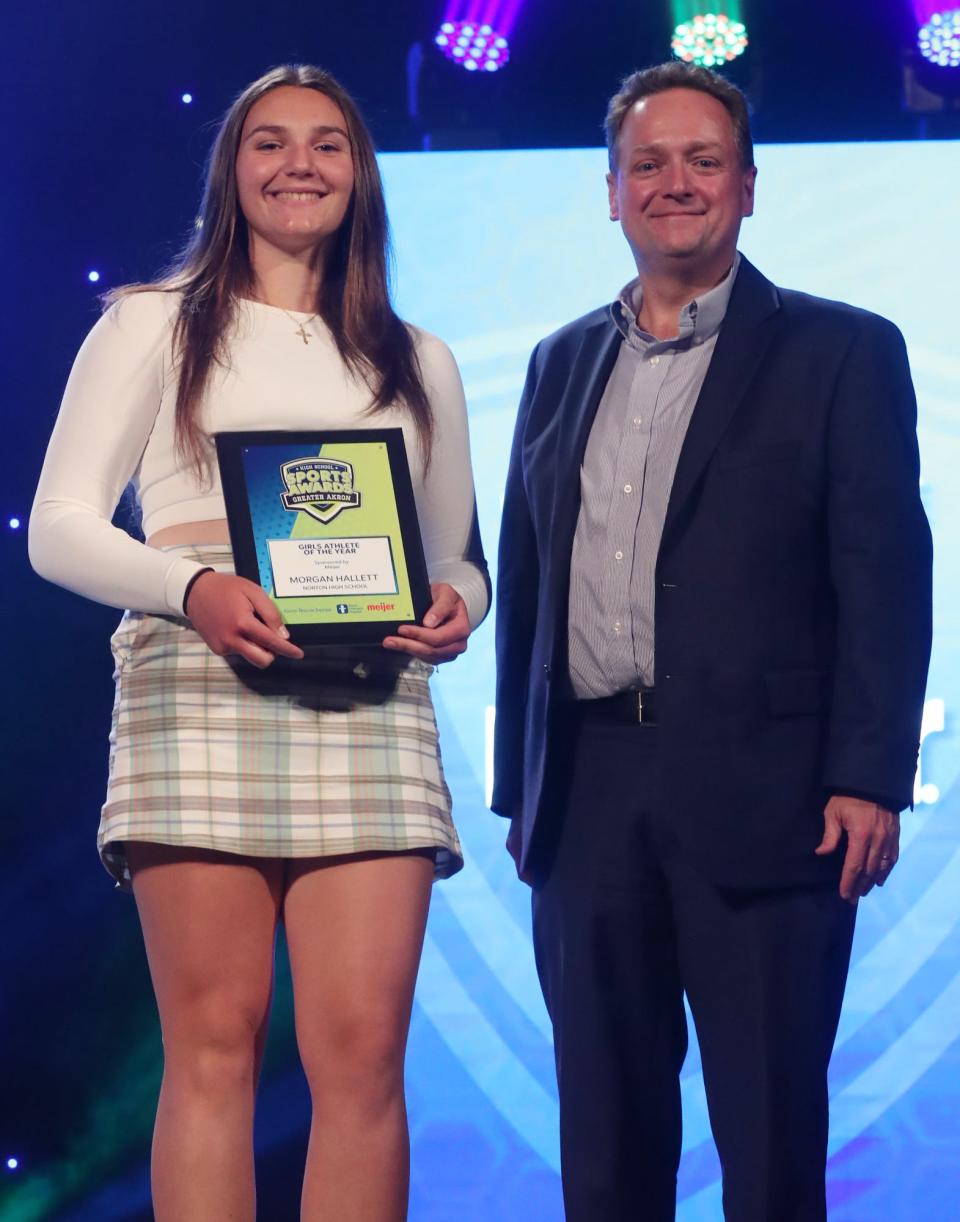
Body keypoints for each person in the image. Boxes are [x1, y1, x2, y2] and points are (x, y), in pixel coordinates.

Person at [30, 64, 488, 1221]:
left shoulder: (419, 356)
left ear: (360, 173)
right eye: (270, 143)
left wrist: (460, 605)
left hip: (370, 700)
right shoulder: (150, 320)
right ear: (232, 171)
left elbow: (456, 557)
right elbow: (58, 530)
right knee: (216, 1048)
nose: (300, 165)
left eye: (327, 144)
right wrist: (194, 590)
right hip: (201, 678)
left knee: (364, 1059)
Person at [493, 61, 932, 1222]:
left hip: (776, 796)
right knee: (603, 1138)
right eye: (648, 163)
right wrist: (521, 794)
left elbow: (885, 573)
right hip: (586, 795)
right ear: (611, 191)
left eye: (701, 161)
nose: (674, 184)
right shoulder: (556, 363)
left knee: (771, 1136)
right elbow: (531, 584)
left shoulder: (845, 351)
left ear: (748, 186)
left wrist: (867, 775)